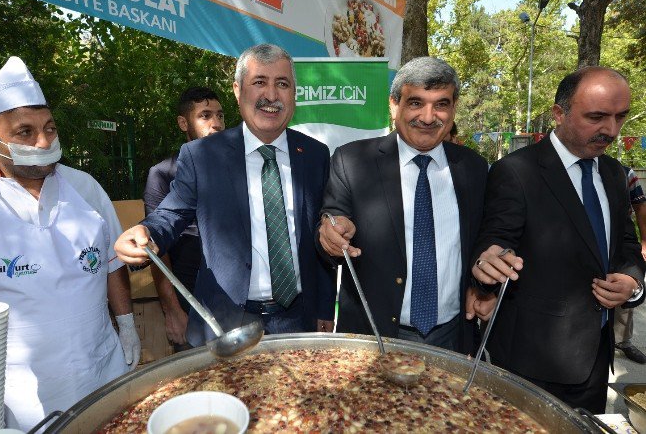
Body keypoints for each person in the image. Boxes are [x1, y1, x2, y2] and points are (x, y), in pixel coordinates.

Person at [115, 44, 335, 346]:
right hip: (226, 319)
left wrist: (324, 306)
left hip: (297, 319)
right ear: (237, 90)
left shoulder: (314, 154)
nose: (271, 95)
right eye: (259, 82)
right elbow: (171, 213)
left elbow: (320, 233)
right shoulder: (201, 155)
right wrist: (146, 231)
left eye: (282, 84)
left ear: (294, 92)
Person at [0, 57, 140, 431]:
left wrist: (128, 324)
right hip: (17, 392)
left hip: (101, 368)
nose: (44, 142)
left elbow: (112, 264)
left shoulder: (85, 188)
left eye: (50, 128)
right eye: (25, 132)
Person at [472, 66, 645, 413]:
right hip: (531, 364)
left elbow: (626, 243)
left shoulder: (613, 173)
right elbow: (496, 239)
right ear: (558, 114)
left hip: (596, 360)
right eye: (596, 117)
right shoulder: (517, 171)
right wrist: (487, 263)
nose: (610, 130)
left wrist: (632, 282)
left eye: (619, 117)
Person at [317, 57, 493, 354]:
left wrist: (483, 286)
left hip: (452, 338)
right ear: (393, 105)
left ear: (453, 108)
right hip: (373, 340)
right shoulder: (351, 161)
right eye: (415, 103)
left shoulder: (473, 167)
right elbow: (330, 223)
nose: (428, 117)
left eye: (441, 104)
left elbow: (483, 238)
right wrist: (330, 233)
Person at [143, 87, 224, 350]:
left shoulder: (240, 168)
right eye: (205, 116)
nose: (216, 124)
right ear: (183, 123)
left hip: (233, 294)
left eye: (220, 116)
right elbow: (156, 247)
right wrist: (172, 310)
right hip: (188, 289)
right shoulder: (163, 173)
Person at [614, 166, 646, 363]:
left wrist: (644, 242)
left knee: (625, 283)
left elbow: (640, 206)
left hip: (621, 236)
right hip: (579, 237)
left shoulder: (624, 173)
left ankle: (623, 340)